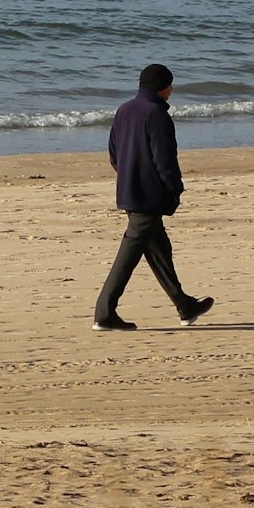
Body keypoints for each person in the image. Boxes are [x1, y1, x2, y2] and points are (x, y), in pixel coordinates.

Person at [92, 63, 215, 332]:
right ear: (160, 87)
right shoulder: (157, 114)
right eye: (170, 85)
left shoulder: (124, 110)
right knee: (129, 253)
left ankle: (185, 306)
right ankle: (104, 313)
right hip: (149, 196)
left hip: (129, 192)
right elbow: (165, 159)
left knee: (159, 250)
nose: (172, 90)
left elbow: (114, 154)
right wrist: (174, 189)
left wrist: (130, 176)